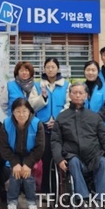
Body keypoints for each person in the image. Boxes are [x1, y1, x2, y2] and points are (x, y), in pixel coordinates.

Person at [51, 83, 105, 209]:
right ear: (69, 95)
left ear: (86, 96)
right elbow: (56, 141)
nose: (77, 95)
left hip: (93, 156)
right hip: (73, 156)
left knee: (103, 162)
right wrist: (58, 159)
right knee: (74, 162)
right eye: (74, 92)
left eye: (81, 93)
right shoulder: (62, 117)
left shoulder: (94, 117)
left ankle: (100, 200)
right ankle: (83, 199)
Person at [0, 98, 44, 209]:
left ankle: (32, 202)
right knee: (15, 174)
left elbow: (40, 147)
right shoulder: (6, 124)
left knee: (27, 175)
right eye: (18, 111)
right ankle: (12, 202)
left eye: (24, 111)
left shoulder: (37, 124)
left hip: (31, 155)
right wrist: (14, 163)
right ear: (13, 112)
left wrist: (28, 164)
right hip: (14, 155)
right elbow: (3, 147)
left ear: (29, 111)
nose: (21, 114)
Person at [29, 57, 69, 193]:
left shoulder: (66, 85)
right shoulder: (37, 85)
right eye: (48, 67)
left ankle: (59, 189)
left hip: (60, 127)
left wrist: (58, 120)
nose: (50, 69)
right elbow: (32, 105)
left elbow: (68, 105)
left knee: (59, 157)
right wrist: (43, 97)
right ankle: (46, 189)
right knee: (46, 159)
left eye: (53, 67)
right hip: (43, 126)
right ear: (44, 69)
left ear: (58, 68)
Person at [82, 60, 105, 133]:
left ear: (98, 72)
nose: (90, 72)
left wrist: (94, 121)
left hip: (103, 128)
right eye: (88, 70)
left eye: (93, 70)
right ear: (84, 72)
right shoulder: (80, 88)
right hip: (84, 127)